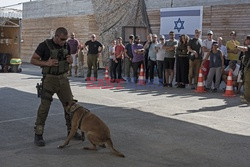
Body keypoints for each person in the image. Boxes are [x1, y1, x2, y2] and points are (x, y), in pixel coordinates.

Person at [30, 27, 82, 147]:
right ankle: (38, 134)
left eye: (66, 39)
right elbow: (33, 60)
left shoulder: (66, 46)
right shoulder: (44, 45)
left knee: (70, 106)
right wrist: (46, 63)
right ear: (56, 36)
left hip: (63, 79)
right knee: (44, 107)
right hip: (50, 79)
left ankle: (72, 131)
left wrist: (69, 60)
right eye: (62, 39)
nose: (64, 41)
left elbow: (68, 58)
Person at [233, 35, 250, 103]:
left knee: (247, 83)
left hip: (249, 68)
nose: (245, 40)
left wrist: (237, 46)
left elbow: (244, 48)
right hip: (247, 67)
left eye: (246, 39)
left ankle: (247, 99)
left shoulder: (249, 46)